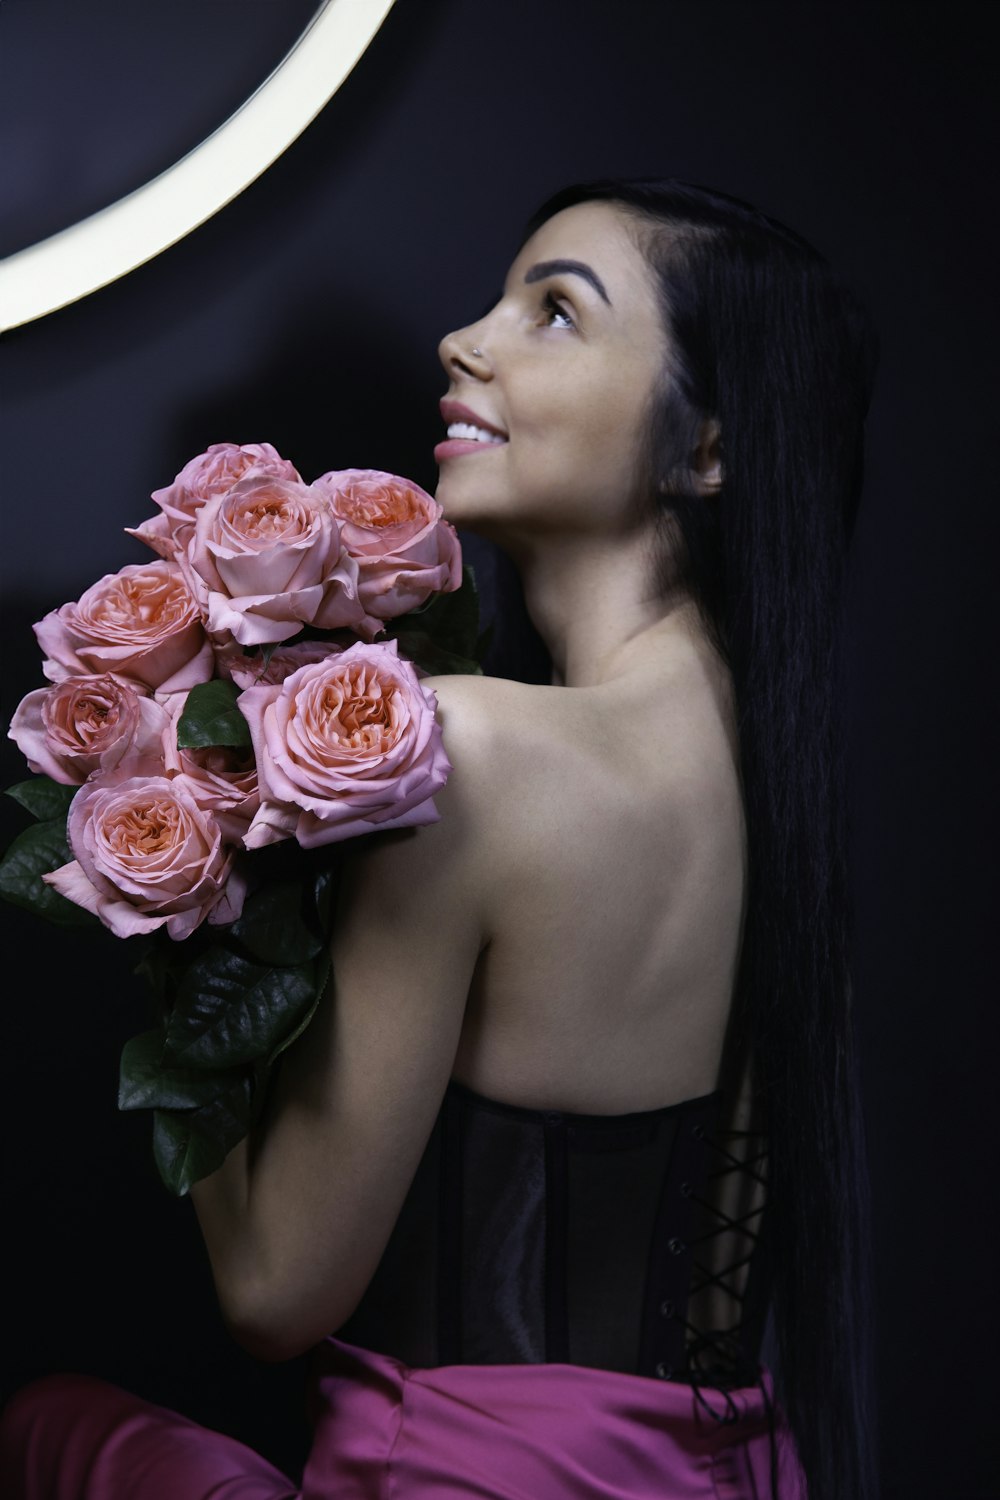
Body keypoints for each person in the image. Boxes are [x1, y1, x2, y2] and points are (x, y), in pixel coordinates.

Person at [0, 176, 879, 1500]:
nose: (466, 340)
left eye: (557, 314)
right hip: (739, 1470)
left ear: (708, 448)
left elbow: (276, 1289)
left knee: (49, 1427)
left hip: (456, 1478)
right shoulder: (779, 778)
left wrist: (175, 873)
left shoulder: (469, 752)